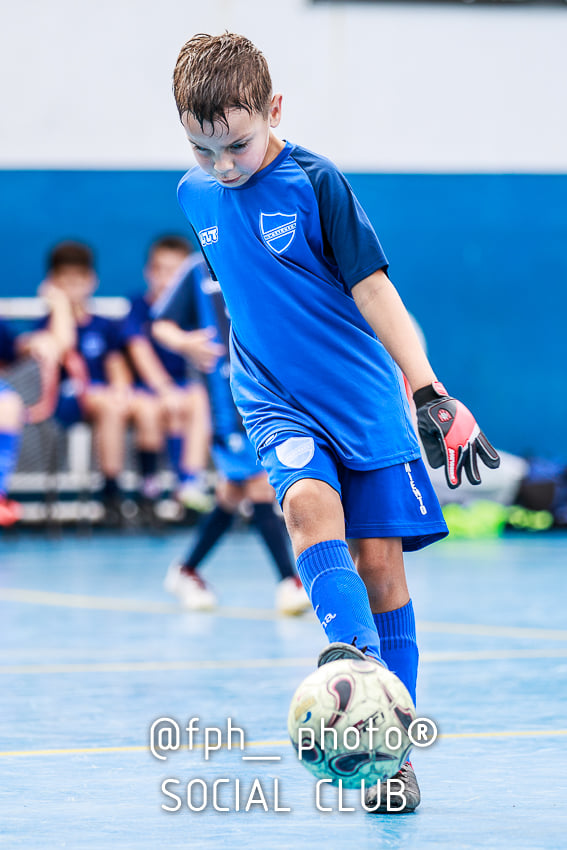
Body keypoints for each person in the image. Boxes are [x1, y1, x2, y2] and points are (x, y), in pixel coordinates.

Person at [170, 32, 500, 811]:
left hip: (359, 397)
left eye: (236, 145)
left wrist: (427, 390)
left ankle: (391, 754)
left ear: (274, 110)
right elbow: (245, 292)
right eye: (201, 149)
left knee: (379, 566)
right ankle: (349, 663)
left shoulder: (315, 183)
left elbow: (373, 290)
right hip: (272, 398)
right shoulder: (193, 195)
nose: (222, 165)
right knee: (304, 505)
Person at [152, 252, 310, 615]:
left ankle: (186, 570)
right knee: (259, 485)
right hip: (226, 402)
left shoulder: (264, 254)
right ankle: (289, 581)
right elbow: (161, 324)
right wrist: (186, 343)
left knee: (232, 492)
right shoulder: (198, 269)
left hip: (267, 391)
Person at [38, 241, 133, 526]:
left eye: (78, 280)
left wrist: (120, 390)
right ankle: (112, 494)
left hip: (103, 400)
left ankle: (122, 495)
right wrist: (59, 307)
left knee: (121, 405)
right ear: (53, 284)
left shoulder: (103, 326)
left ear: (92, 281)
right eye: (64, 282)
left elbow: (116, 366)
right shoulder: (47, 324)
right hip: (64, 401)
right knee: (107, 402)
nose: (73, 288)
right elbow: (62, 346)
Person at [118, 235, 212, 515]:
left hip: (184, 387)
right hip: (144, 389)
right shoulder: (139, 306)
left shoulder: (194, 310)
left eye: (174, 272)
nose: (165, 278)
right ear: (148, 272)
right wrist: (165, 388)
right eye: (159, 269)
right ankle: (150, 487)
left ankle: (190, 483)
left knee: (197, 399)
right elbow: (138, 349)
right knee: (158, 409)